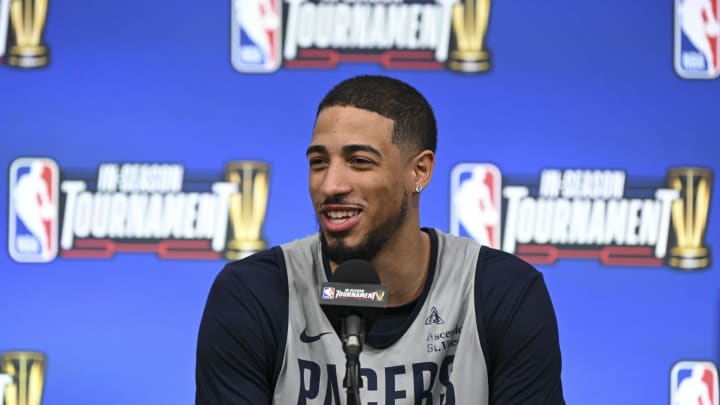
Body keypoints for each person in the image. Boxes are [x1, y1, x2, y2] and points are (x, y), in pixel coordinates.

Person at [195, 75, 565, 404]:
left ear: (419, 171)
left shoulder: (501, 292)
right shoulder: (255, 293)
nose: (330, 185)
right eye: (319, 162)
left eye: (359, 161)